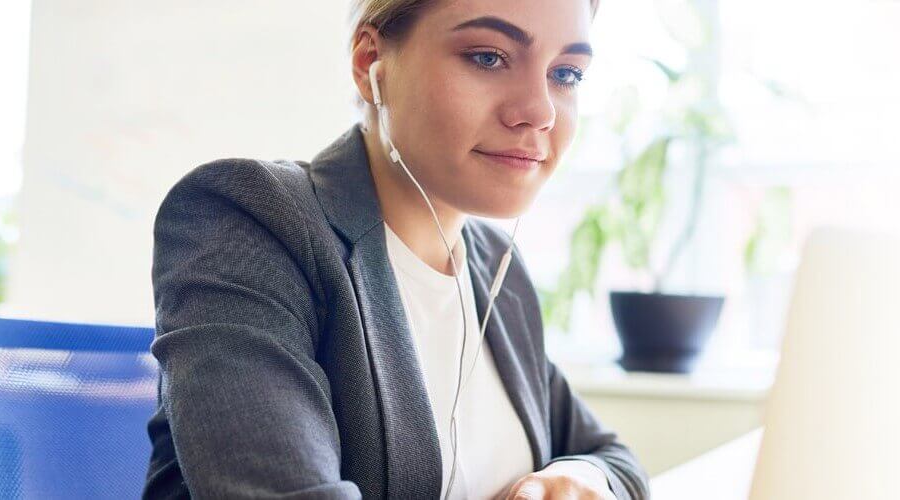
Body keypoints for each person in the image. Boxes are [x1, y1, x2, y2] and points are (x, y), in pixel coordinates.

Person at [142, 0, 650, 498]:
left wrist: (581, 480)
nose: (539, 111)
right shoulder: (254, 221)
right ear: (370, 64)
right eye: (488, 57)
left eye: (566, 74)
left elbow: (613, 459)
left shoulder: (498, 270)